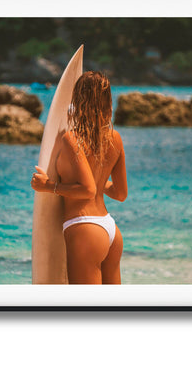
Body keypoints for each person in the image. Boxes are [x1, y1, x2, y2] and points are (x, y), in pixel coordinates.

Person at [30, 71, 128, 284]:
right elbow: (120, 194)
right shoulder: (115, 138)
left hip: (85, 229)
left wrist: (49, 186)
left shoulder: (72, 139)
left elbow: (87, 190)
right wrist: (99, 180)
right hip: (111, 231)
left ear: (79, 100)